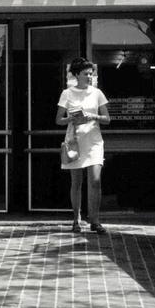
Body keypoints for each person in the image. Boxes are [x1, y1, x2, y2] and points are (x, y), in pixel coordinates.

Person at [56, 57, 110, 234]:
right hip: (75, 141)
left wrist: (93, 117)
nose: (89, 76)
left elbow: (107, 119)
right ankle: (76, 219)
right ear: (77, 74)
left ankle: (95, 220)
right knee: (77, 182)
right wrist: (71, 119)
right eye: (86, 74)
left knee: (95, 181)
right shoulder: (67, 93)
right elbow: (58, 120)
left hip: (94, 141)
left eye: (91, 74)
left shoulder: (97, 93)